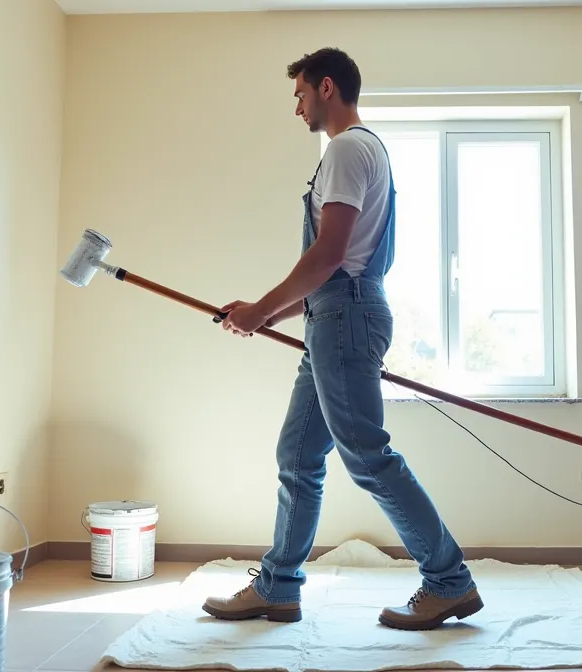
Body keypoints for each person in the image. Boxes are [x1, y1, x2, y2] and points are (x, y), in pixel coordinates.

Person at [203, 47, 482, 631]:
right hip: (335, 315)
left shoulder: (347, 148)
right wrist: (269, 316)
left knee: (367, 457)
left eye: (300, 94)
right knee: (298, 456)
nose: (297, 106)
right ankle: (278, 588)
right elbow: (338, 264)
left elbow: (330, 254)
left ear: (326, 87)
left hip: (344, 317)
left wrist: (260, 308)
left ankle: (449, 581)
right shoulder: (364, 150)